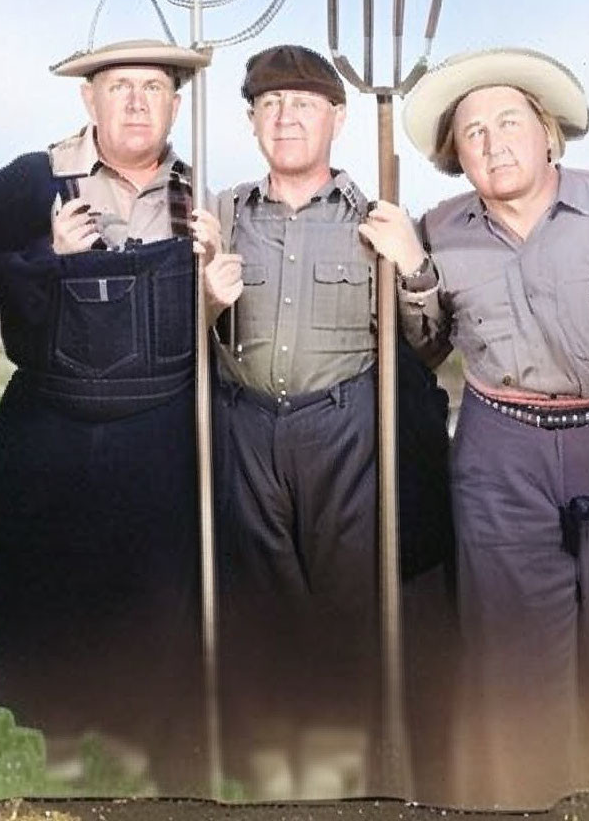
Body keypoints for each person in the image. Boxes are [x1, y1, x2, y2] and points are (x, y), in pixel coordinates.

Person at [360, 47, 589, 808]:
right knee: (514, 642)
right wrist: (415, 271)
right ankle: (529, 791)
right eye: (473, 133)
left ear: (549, 134)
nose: (492, 143)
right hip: (499, 445)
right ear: (458, 159)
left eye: (508, 122)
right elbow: (425, 349)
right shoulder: (441, 229)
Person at [0, 38, 214, 795]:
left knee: (158, 585)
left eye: (153, 88)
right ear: (88, 100)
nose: (136, 102)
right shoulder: (29, 183)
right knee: (51, 580)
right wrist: (48, 259)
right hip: (57, 419)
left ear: (176, 102)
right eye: (118, 87)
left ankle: (150, 739)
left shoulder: (198, 194)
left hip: (159, 423)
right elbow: (0, 279)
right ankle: (60, 746)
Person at [202, 45, 452, 800]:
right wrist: (206, 301)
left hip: (346, 430)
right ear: (250, 122)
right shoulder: (219, 217)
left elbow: (429, 346)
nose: (285, 118)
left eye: (302, 104)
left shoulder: (377, 218)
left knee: (350, 606)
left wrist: (411, 267)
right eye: (269, 106)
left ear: (336, 119)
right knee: (262, 602)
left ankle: (357, 779)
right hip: (245, 428)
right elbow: (194, 342)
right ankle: (278, 775)